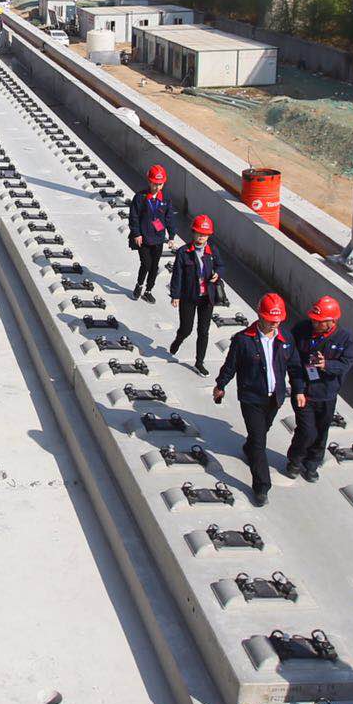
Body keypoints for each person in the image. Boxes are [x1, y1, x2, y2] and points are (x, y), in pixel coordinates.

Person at [212, 293, 302, 506]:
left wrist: (299, 390)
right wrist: (220, 385)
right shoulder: (244, 340)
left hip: (275, 398)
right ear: (260, 317)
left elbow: (296, 368)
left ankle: (248, 447)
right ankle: (261, 486)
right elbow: (230, 366)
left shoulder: (286, 339)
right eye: (271, 320)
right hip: (252, 397)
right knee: (260, 441)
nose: (275, 325)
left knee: (261, 432)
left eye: (278, 321)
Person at [283, 296, 353, 482]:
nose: (315, 323)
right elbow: (293, 360)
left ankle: (311, 465)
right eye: (314, 320)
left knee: (321, 431)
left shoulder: (345, 338)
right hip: (304, 391)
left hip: (326, 394)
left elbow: (347, 363)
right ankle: (295, 461)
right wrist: (298, 389)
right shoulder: (301, 330)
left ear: (332, 321)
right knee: (307, 430)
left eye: (320, 321)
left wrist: (326, 365)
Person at [167, 214, 222, 376]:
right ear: (193, 233)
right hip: (189, 297)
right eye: (198, 233)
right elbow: (177, 275)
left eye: (204, 234)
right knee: (187, 328)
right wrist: (175, 295)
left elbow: (221, 266)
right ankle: (178, 340)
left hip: (207, 298)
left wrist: (217, 273)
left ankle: (199, 362)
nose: (201, 237)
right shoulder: (184, 252)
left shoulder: (212, 251)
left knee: (203, 331)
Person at [129, 164, 177, 303]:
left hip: (158, 238)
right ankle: (139, 284)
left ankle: (148, 290)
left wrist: (171, 236)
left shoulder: (166, 199)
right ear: (149, 182)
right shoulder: (140, 197)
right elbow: (134, 217)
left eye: (160, 184)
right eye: (154, 184)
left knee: (154, 267)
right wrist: (137, 234)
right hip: (143, 238)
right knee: (146, 264)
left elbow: (169, 218)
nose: (157, 187)